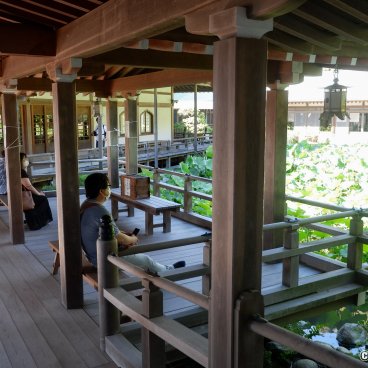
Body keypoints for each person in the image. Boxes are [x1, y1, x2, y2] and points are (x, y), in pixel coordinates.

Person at [80, 173, 185, 272]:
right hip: (104, 260)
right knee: (145, 260)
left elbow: (103, 231)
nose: (109, 188)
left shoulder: (86, 205)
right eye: (108, 186)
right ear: (101, 191)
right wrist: (132, 239)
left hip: (93, 254)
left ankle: (163, 270)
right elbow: (120, 239)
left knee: (140, 257)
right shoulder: (99, 211)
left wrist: (122, 233)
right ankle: (167, 271)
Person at [20, 152, 53, 230]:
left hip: (21, 193)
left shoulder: (19, 170)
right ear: (20, 161)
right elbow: (29, 186)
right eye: (25, 159)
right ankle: (38, 221)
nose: (26, 160)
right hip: (24, 196)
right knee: (43, 199)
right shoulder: (21, 172)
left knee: (41, 197)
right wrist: (39, 193)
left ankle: (34, 220)